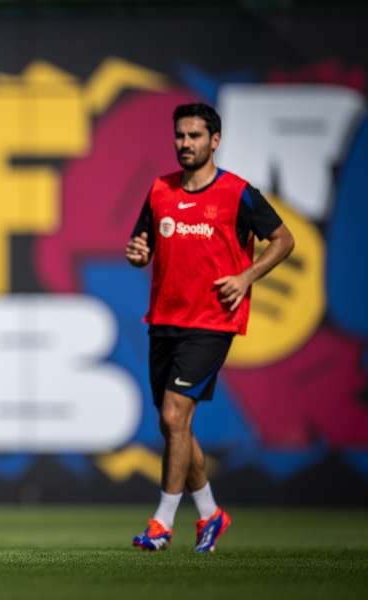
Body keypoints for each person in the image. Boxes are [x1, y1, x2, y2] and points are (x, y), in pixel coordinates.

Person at [125, 103, 294, 553]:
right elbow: (142, 244)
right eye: (180, 136)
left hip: (211, 321)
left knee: (173, 416)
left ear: (214, 141)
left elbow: (284, 239)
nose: (186, 144)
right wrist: (138, 254)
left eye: (195, 136)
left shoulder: (239, 193)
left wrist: (246, 277)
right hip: (163, 319)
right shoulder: (160, 189)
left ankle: (161, 524)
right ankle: (210, 514)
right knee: (175, 428)